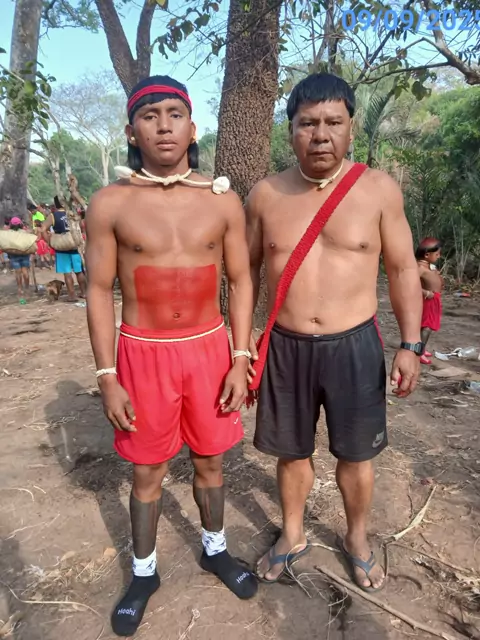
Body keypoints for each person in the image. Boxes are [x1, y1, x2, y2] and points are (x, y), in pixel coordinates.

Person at [85, 75, 257, 637]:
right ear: (131, 130)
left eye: (174, 114)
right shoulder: (111, 203)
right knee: (147, 469)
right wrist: (107, 375)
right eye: (150, 115)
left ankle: (215, 549)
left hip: (209, 350)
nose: (164, 126)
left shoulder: (221, 200)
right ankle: (143, 574)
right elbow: (97, 290)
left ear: (192, 127)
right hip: (144, 352)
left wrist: (240, 356)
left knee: (211, 460)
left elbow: (241, 279)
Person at [246, 73, 424, 593]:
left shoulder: (379, 190)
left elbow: (403, 269)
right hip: (286, 345)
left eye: (333, 122)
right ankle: (293, 533)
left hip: (354, 345)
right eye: (307, 123)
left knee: (356, 454)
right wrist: (242, 342)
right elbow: (242, 272)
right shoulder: (266, 194)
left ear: (351, 127)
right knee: (291, 452)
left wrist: (410, 344)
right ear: (290, 130)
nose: (320, 135)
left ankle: (357, 538)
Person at [41, 196, 86, 301]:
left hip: (61, 247)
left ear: (56, 204)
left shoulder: (53, 215)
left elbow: (43, 229)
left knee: (67, 272)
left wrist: (49, 242)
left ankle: (72, 295)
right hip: (75, 246)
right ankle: (84, 293)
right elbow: (81, 227)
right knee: (79, 271)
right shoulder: (73, 214)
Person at [416, 238, 443, 365]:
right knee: (427, 327)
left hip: (434, 298)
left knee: (427, 326)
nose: (439, 256)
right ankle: (419, 352)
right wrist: (426, 292)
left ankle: (422, 348)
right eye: (437, 254)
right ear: (427, 255)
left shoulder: (428, 266)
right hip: (428, 299)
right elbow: (411, 284)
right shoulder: (420, 267)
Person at [6, 217, 31, 303]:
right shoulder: (24, 232)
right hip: (24, 254)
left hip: (14, 255)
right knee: (25, 272)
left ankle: (20, 289)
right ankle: (27, 288)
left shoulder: (9, 233)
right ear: (20, 224)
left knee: (18, 273)